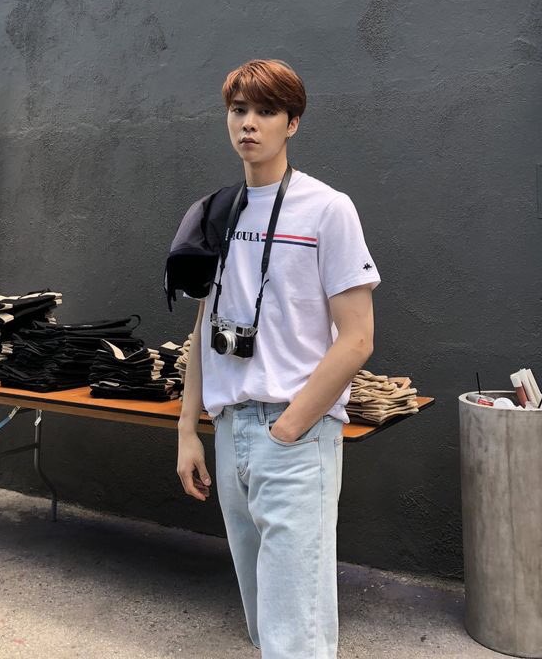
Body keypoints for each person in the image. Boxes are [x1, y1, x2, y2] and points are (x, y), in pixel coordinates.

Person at [176, 58, 380, 659]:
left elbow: (357, 338)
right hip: (230, 427)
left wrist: (290, 427)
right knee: (264, 622)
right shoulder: (216, 211)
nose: (249, 123)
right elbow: (203, 325)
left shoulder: (327, 209)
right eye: (239, 110)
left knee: (297, 634)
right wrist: (189, 429)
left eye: (266, 111)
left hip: (293, 435)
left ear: (292, 123)